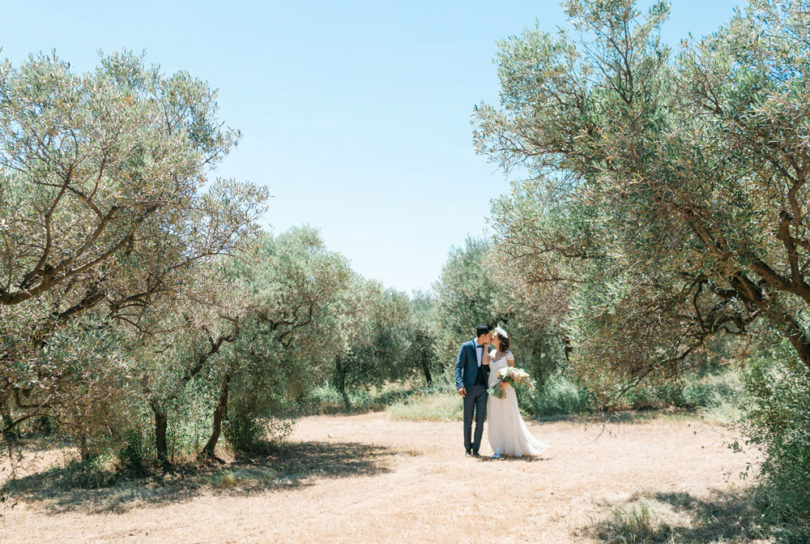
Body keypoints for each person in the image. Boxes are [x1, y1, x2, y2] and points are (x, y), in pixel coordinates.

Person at [486, 326, 549, 458]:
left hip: (506, 388)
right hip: (493, 387)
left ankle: (512, 446)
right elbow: (485, 363)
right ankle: (498, 448)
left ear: (501, 340)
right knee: (495, 416)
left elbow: (512, 372)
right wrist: (486, 344)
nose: (492, 337)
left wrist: (506, 382)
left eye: (494, 336)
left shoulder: (508, 354)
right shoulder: (490, 353)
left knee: (508, 416)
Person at [454, 324, 491, 457]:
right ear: (483, 336)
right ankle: (467, 449)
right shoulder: (466, 347)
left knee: (480, 420)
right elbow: (458, 367)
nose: (491, 337)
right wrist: (460, 385)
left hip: (483, 389)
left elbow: (489, 369)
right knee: (468, 419)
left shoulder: (489, 347)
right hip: (468, 389)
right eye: (489, 335)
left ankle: (476, 449)